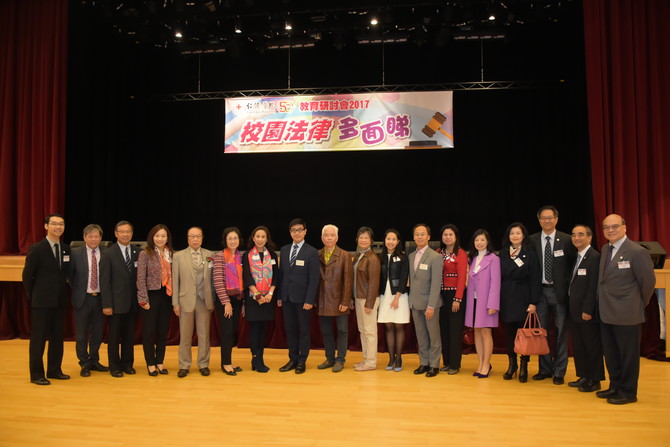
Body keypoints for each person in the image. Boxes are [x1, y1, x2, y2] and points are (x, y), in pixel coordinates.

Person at [596, 214, 655, 405]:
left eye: (614, 226)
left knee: (628, 355)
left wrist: (637, 303)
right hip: (606, 311)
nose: (610, 230)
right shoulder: (605, 249)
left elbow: (648, 283)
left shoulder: (637, 252)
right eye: (606, 227)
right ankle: (615, 386)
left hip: (628, 313)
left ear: (624, 227)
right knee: (611, 353)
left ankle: (628, 392)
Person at [529, 205, 576, 385]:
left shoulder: (566, 239)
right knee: (542, 332)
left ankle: (559, 371)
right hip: (539, 292)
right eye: (543, 218)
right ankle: (545, 369)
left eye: (550, 218)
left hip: (560, 293)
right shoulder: (532, 240)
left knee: (561, 331)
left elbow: (573, 265)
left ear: (556, 219)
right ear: (539, 220)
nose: (546, 221)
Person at [22, 214, 71, 385]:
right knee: (38, 339)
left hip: (60, 301)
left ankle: (54, 370)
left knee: (57, 338)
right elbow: (27, 277)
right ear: (46, 226)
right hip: (41, 302)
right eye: (54, 224)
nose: (58, 227)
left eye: (61, 224)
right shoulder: (37, 249)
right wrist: (35, 296)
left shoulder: (66, 248)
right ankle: (36, 374)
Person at [499, 222, 541, 383]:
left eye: (518, 233)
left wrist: (533, 302)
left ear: (524, 235)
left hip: (524, 297)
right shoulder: (503, 253)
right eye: (512, 233)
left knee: (524, 334)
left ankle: (524, 366)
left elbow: (535, 278)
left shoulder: (530, 253)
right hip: (507, 297)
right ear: (508, 237)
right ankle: (512, 365)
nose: (515, 236)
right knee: (510, 333)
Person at [277, 218, 320, 374]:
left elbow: (314, 279)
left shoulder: (312, 251)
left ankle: (302, 361)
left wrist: (310, 300)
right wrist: (280, 297)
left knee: (303, 331)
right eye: (294, 230)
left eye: (300, 230)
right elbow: (281, 276)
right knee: (290, 330)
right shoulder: (284, 250)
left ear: (305, 231)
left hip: (303, 301)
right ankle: (292, 359)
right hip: (287, 298)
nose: (297, 233)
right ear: (290, 232)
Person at [172, 227, 214, 379]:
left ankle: (203, 364)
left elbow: (212, 280)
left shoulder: (210, 255)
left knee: (204, 336)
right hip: (185, 300)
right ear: (187, 239)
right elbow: (175, 281)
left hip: (204, 300)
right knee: (185, 336)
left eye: (198, 236)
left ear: (202, 238)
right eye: (192, 236)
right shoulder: (178, 256)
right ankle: (184, 365)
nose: (195, 239)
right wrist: (175, 303)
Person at [100, 220, 140, 377]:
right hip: (115, 305)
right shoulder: (108, 253)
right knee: (114, 337)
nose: (125, 234)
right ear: (116, 234)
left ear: (132, 233)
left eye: (128, 231)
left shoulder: (138, 251)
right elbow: (104, 282)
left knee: (130, 336)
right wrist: (107, 304)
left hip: (133, 303)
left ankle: (127, 364)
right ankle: (115, 366)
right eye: (122, 232)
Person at [567, 224, 604, 393]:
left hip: (586, 311)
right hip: (574, 310)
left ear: (589, 237)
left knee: (591, 345)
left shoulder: (594, 256)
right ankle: (584, 375)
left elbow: (593, 287)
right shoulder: (578, 256)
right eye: (574, 235)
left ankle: (595, 380)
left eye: (581, 235)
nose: (576, 238)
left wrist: (588, 310)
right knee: (579, 345)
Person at [68, 224, 109, 377]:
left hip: (100, 299)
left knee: (97, 333)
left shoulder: (107, 253)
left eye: (96, 236)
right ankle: (83, 362)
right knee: (81, 335)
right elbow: (70, 277)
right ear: (84, 237)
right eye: (90, 236)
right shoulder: (75, 253)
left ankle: (94, 360)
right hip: (82, 299)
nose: (93, 239)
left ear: (100, 238)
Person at [136, 224, 174, 376]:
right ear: (152, 237)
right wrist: (143, 299)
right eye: (157, 236)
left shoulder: (171, 253)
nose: (160, 239)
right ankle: (150, 363)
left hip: (167, 296)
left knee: (163, 332)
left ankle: (160, 361)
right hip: (151, 296)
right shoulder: (145, 254)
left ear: (167, 238)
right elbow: (140, 278)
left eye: (163, 236)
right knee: (149, 332)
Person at [316, 224, 353, 372]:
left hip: (339, 301)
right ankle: (330, 358)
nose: (329, 238)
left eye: (332, 235)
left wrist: (345, 301)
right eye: (326, 235)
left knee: (342, 331)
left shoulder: (344, 255)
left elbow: (348, 281)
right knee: (326, 331)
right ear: (322, 237)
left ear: (337, 237)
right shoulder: (316, 254)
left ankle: (340, 359)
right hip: (322, 300)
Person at [408, 224, 443, 377]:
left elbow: (436, 284)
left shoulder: (435, 257)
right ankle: (424, 362)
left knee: (433, 335)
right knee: (421, 335)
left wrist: (431, 305)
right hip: (415, 303)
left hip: (430, 304)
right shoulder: (410, 256)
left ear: (429, 236)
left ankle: (434, 365)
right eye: (417, 234)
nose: (420, 237)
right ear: (414, 237)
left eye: (423, 234)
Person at [465, 229, 500, 378]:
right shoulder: (471, 259)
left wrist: (493, 304)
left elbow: (496, 283)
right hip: (473, 302)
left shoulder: (493, 259)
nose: (479, 243)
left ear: (488, 242)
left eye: (482, 240)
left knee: (486, 332)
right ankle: (480, 363)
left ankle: (486, 364)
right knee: (477, 331)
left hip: (486, 302)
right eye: (476, 240)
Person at [243, 226, 278, 373]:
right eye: (257, 236)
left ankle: (258, 359)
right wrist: (257, 294)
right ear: (253, 238)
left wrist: (269, 294)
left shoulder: (273, 255)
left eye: (263, 236)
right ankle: (256, 359)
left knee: (263, 329)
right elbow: (246, 276)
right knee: (254, 329)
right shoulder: (247, 255)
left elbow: (276, 276)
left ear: (267, 238)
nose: (260, 239)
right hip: (253, 298)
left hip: (268, 298)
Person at [212, 227, 245, 376]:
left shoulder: (241, 256)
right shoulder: (219, 256)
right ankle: (226, 364)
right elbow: (218, 282)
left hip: (237, 299)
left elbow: (242, 280)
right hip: (224, 300)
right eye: (230, 238)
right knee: (226, 332)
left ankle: (228, 361)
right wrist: (226, 302)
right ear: (225, 240)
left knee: (231, 332)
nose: (233, 241)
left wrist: (242, 302)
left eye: (235, 238)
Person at [436, 224, 468, 375]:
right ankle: (447, 362)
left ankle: (455, 364)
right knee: (444, 330)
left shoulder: (460, 253)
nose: (448, 237)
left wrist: (458, 298)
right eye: (445, 235)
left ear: (456, 237)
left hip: (455, 295)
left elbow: (462, 278)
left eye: (451, 234)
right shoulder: (438, 253)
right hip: (440, 296)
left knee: (455, 330)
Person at [377, 229, 410, 372]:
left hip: (400, 296)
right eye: (388, 239)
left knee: (398, 326)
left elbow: (403, 279)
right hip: (385, 296)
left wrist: (397, 297)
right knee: (388, 326)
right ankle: (391, 358)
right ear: (385, 241)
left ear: (398, 241)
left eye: (393, 239)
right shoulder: (381, 257)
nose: (390, 241)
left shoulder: (403, 257)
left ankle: (399, 358)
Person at [352, 226, 381, 371]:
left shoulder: (373, 258)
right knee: (363, 330)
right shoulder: (358, 256)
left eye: (366, 237)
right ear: (357, 239)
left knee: (370, 331)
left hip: (368, 300)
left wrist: (369, 304)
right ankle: (366, 359)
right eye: (361, 237)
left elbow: (374, 283)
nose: (363, 240)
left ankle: (371, 362)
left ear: (371, 241)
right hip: (359, 298)